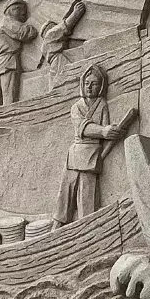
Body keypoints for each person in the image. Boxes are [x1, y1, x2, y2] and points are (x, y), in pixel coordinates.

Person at [53, 64, 124, 227]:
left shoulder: (102, 105)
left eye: (94, 84)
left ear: (101, 87)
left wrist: (111, 133)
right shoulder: (76, 107)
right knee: (65, 193)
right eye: (86, 83)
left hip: (92, 155)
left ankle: (86, 228)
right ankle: (56, 227)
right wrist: (103, 131)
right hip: (75, 154)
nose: (89, 87)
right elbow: (82, 127)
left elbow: (106, 131)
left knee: (87, 198)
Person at [0, 0, 37, 106]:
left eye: (23, 10)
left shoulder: (5, 22)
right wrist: (31, 27)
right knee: (8, 94)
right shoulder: (7, 22)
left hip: (2, 62)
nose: (23, 13)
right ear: (10, 10)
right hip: (8, 61)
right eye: (18, 9)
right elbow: (23, 33)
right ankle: (8, 112)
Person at [38, 1, 86, 74]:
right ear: (49, 28)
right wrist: (76, 12)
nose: (56, 26)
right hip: (60, 63)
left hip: (55, 67)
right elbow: (64, 26)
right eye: (54, 25)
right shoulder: (50, 34)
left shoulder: (44, 47)